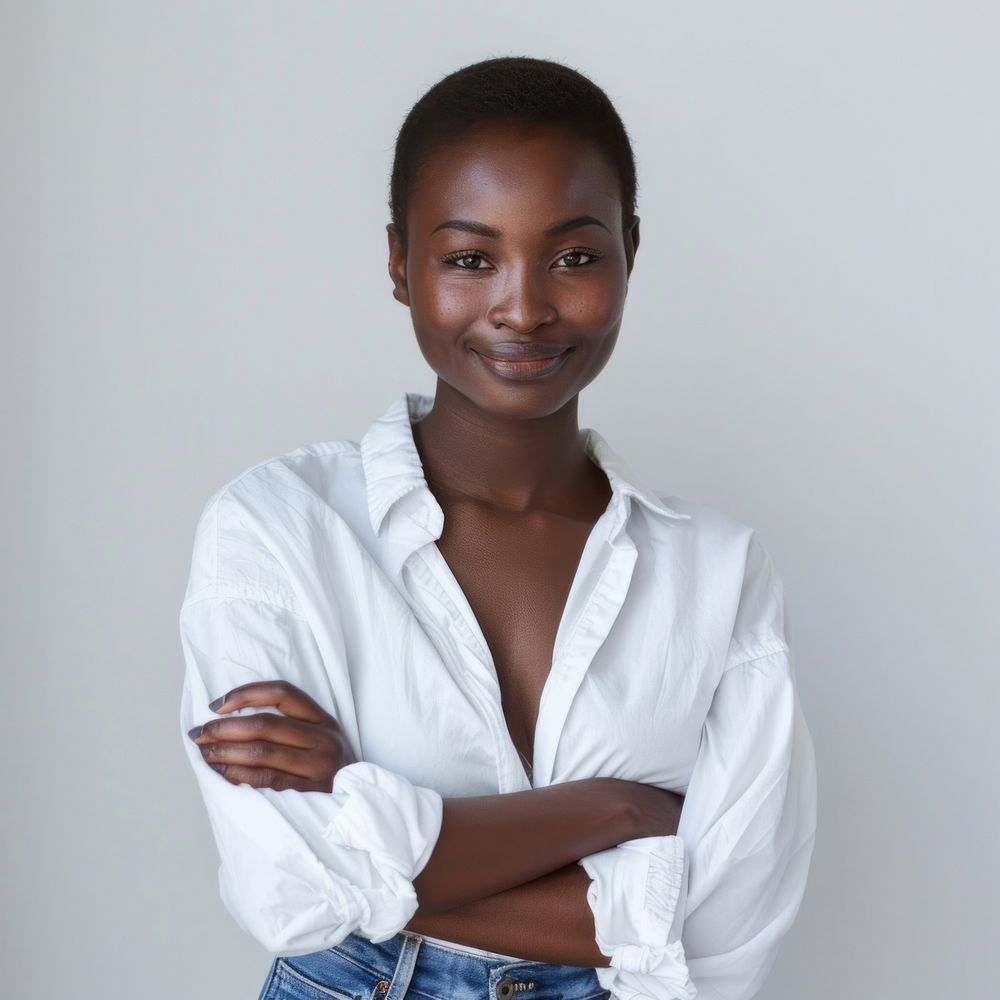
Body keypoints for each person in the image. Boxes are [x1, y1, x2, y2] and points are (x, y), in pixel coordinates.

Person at [178, 56, 817, 1000]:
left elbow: (725, 928)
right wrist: (618, 810)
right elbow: (289, 889)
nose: (522, 307)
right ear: (400, 262)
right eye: (471, 258)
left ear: (630, 251)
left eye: (573, 256)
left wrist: (371, 834)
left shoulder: (717, 570)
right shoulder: (280, 529)